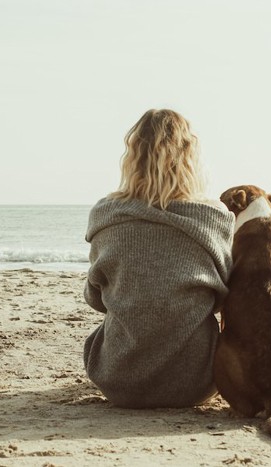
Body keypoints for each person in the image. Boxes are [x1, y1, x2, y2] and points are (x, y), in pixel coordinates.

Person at [82, 109, 234, 408]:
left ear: (132, 156)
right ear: (191, 157)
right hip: (197, 382)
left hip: (118, 381)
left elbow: (95, 298)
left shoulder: (106, 215)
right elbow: (221, 298)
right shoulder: (214, 218)